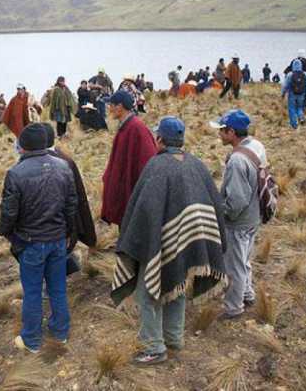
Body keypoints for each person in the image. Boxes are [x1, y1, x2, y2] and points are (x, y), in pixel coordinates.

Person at [111, 116, 227, 365]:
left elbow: (143, 210)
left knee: (147, 292)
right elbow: (215, 204)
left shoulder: (157, 167)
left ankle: (154, 347)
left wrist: (137, 242)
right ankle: (173, 338)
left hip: (164, 242)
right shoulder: (196, 164)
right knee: (177, 283)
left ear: (160, 139)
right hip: (193, 242)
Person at [0, 123, 77, 353]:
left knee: (32, 292)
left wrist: (7, 234)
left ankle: (32, 341)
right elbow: (71, 205)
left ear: (23, 146)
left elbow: (8, 212)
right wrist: (68, 235)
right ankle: (60, 333)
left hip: (31, 242)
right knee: (58, 288)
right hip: (57, 240)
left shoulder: (15, 173)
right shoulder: (64, 167)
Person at [209, 110, 267, 319]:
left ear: (231, 132)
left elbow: (236, 202)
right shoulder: (256, 145)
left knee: (234, 266)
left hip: (238, 222)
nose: (219, 135)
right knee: (245, 259)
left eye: (222, 131)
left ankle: (234, 307)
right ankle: (248, 294)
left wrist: (219, 212)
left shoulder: (236, 161)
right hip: (254, 216)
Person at [101, 91, 158, 227]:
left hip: (132, 195)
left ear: (120, 106)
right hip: (126, 193)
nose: (109, 108)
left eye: (111, 105)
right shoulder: (125, 127)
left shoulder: (136, 128)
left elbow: (148, 163)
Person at [42, 123, 97, 262]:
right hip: (65, 230)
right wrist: (90, 238)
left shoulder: (27, 165)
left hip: (41, 234)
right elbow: (81, 199)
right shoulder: (66, 161)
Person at [282, 59, 306, 129]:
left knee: (292, 108)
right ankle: (301, 117)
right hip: (302, 94)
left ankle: (294, 124)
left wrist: (283, 93)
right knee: (300, 107)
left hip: (292, 94)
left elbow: (285, 85)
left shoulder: (290, 74)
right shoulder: (305, 74)